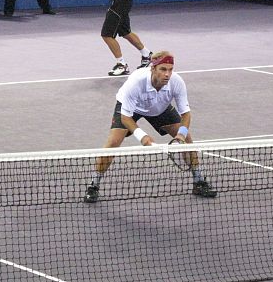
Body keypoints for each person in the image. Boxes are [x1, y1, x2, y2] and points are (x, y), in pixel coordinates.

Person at [83, 51, 217, 203]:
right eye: (163, 69)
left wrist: (181, 134)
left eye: (170, 69)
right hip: (131, 109)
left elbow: (186, 114)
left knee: (187, 142)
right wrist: (143, 137)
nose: (167, 74)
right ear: (153, 68)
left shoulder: (177, 82)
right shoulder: (136, 81)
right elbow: (126, 117)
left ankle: (199, 181)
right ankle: (93, 185)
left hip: (160, 108)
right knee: (113, 143)